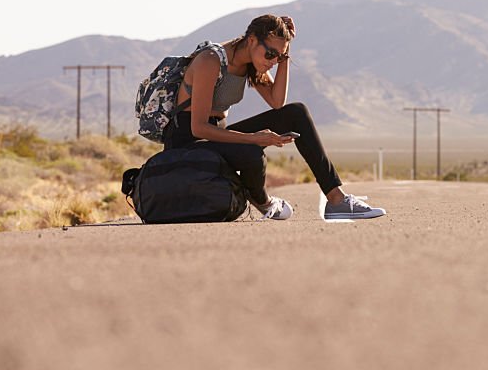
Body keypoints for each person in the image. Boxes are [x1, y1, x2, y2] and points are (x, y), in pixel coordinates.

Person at [162, 14, 384, 221]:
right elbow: (199, 128)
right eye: (270, 54)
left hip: (216, 136)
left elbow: (277, 102)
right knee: (251, 151)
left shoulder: (252, 63)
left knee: (296, 113)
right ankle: (264, 203)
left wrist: (284, 56)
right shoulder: (210, 61)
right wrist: (255, 138)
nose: (272, 61)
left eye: (279, 56)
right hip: (187, 142)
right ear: (251, 40)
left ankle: (336, 199)